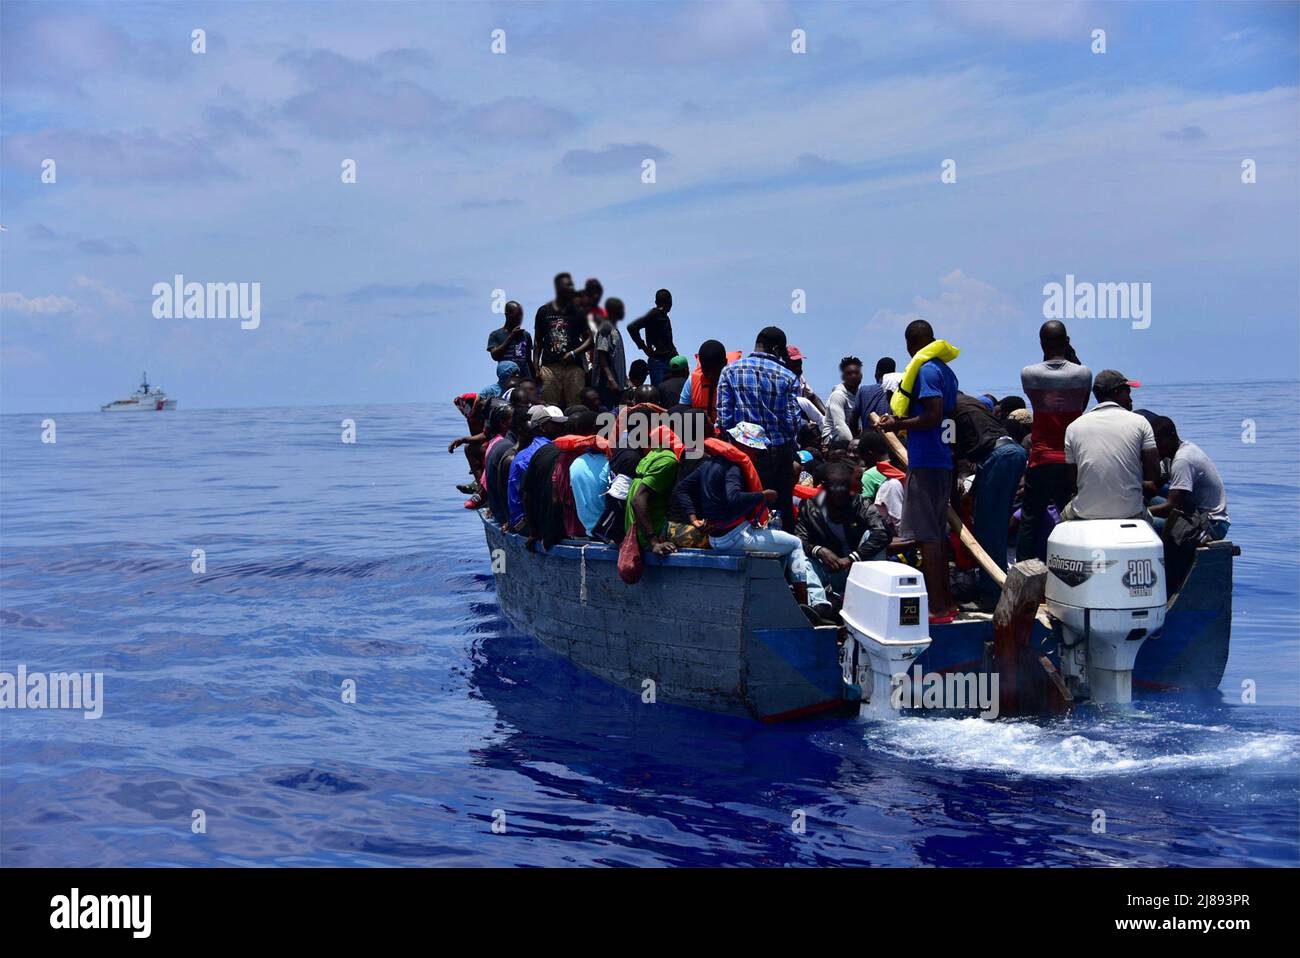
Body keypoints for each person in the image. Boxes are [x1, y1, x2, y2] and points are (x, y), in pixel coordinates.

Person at [672, 421, 828, 620]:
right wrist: (763, 495)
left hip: (716, 538)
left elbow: (682, 489)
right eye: (756, 451)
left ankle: (782, 601)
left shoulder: (708, 465)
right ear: (744, 447)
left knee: (778, 545)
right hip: (735, 537)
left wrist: (694, 519)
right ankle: (803, 606)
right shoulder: (734, 468)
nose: (756, 456)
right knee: (795, 543)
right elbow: (733, 497)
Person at [876, 319, 959, 623]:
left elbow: (933, 415)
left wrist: (896, 424)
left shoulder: (925, 370)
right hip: (943, 461)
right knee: (936, 535)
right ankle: (947, 604)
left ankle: (937, 608)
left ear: (910, 345)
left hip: (927, 462)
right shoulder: (945, 370)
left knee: (927, 537)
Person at [1018, 320, 1093, 560]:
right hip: (1071, 460)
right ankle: (1076, 564)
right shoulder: (1083, 373)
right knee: (1071, 517)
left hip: (1040, 458)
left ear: (1042, 343)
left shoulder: (1029, 374)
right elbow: (1081, 406)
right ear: (1067, 342)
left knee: (1030, 518)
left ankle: (1024, 571)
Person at [716, 326, 802, 525]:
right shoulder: (789, 377)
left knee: (744, 509)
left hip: (744, 453)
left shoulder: (730, 371)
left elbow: (724, 417)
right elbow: (793, 423)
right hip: (778, 453)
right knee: (781, 508)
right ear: (777, 350)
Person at [951, 392, 1028, 606]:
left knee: (989, 531)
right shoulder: (971, 404)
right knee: (994, 528)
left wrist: (954, 502)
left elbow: (950, 458)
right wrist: (972, 494)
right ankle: (995, 589)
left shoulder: (946, 409)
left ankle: (993, 596)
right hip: (1010, 454)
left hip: (999, 458)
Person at [1061, 370, 1159, 523]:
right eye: (1128, 392)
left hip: (1085, 511)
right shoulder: (1140, 422)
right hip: (1131, 511)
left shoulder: (1073, 427)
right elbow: (1153, 474)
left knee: (1061, 521)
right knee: (1156, 524)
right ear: (1116, 392)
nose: (1131, 399)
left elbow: (1072, 482)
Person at [795, 460, 890, 613]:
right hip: (829, 570)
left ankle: (871, 602)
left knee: (871, 535)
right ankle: (820, 607)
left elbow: (883, 533)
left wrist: (852, 558)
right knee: (800, 557)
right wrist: (819, 550)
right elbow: (799, 539)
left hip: (858, 571)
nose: (862, 485)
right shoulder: (809, 507)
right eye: (858, 480)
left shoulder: (862, 504)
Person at [1148, 416, 1230, 541]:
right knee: (1148, 498)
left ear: (1172, 436)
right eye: (1154, 443)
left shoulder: (1183, 460)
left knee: (1144, 525)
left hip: (1211, 523)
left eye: (1159, 442)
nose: (1156, 447)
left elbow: (1171, 507)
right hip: (1192, 512)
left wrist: (1140, 514)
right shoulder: (1172, 454)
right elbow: (1154, 486)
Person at [533, 272, 592, 409]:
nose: (570, 289)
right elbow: (538, 341)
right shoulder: (544, 311)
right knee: (550, 408)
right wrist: (535, 366)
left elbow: (589, 340)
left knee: (575, 407)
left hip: (573, 368)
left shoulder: (578, 312)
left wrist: (573, 353)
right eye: (567, 286)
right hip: (549, 368)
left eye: (571, 286)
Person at [624, 415, 680, 557]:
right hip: (651, 534)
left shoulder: (652, 454)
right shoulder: (668, 460)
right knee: (702, 534)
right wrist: (653, 542)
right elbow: (637, 500)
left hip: (635, 530)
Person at [507, 404, 568, 528]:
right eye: (556, 424)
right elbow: (529, 495)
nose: (562, 428)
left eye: (562, 424)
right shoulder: (542, 453)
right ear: (543, 427)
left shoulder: (530, 451)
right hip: (525, 522)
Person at [678, 339, 735, 429]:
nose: (710, 375)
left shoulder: (734, 381)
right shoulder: (692, 381)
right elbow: (682, 409)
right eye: (706, 370)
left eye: (714, 370)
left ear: (725, 363)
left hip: (726, 435)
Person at [626, 289, 678, 386]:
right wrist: (643, 347)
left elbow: (667, 341)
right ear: (670, 302)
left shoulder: (664, 317)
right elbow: (632, 327)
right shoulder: (654, 314)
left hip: (667, 361)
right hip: (658, 362)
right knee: (660, 394)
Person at [481, 404, 516, 524]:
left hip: (497, 509)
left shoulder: (496, 442)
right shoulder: (507, 446)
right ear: (503, 423)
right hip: (503, 515)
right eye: (514, 418)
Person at [591, 296, 628, 410]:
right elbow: (602, 354)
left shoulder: (613, 329)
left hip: (616, 384)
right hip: (606, 384)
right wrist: (611, 380)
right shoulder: (605, 328)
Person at [486, 301, 534, 380]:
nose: (519, 319)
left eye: (521, 316)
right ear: (507, 315)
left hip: (524, 380)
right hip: (507, 380)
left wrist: (534, 379)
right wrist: (511, 337)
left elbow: (528, 360)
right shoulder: (496, 335)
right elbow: (494, 356)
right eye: (516, 316)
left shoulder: (526, 335)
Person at [824, 356, 862, 443]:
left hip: (853, 437)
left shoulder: (860, 394)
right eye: (849, 373)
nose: (853, 376)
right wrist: (853, 443)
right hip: (834, 438)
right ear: (843, 376)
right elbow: (839, 425)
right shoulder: (838, 395)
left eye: (856, 372)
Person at [854, 356, 896, 425]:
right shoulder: (898, 391)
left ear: (877, 372)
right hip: (891, 435)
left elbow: (853, 421)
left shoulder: (863, 390)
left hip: (868, 434)